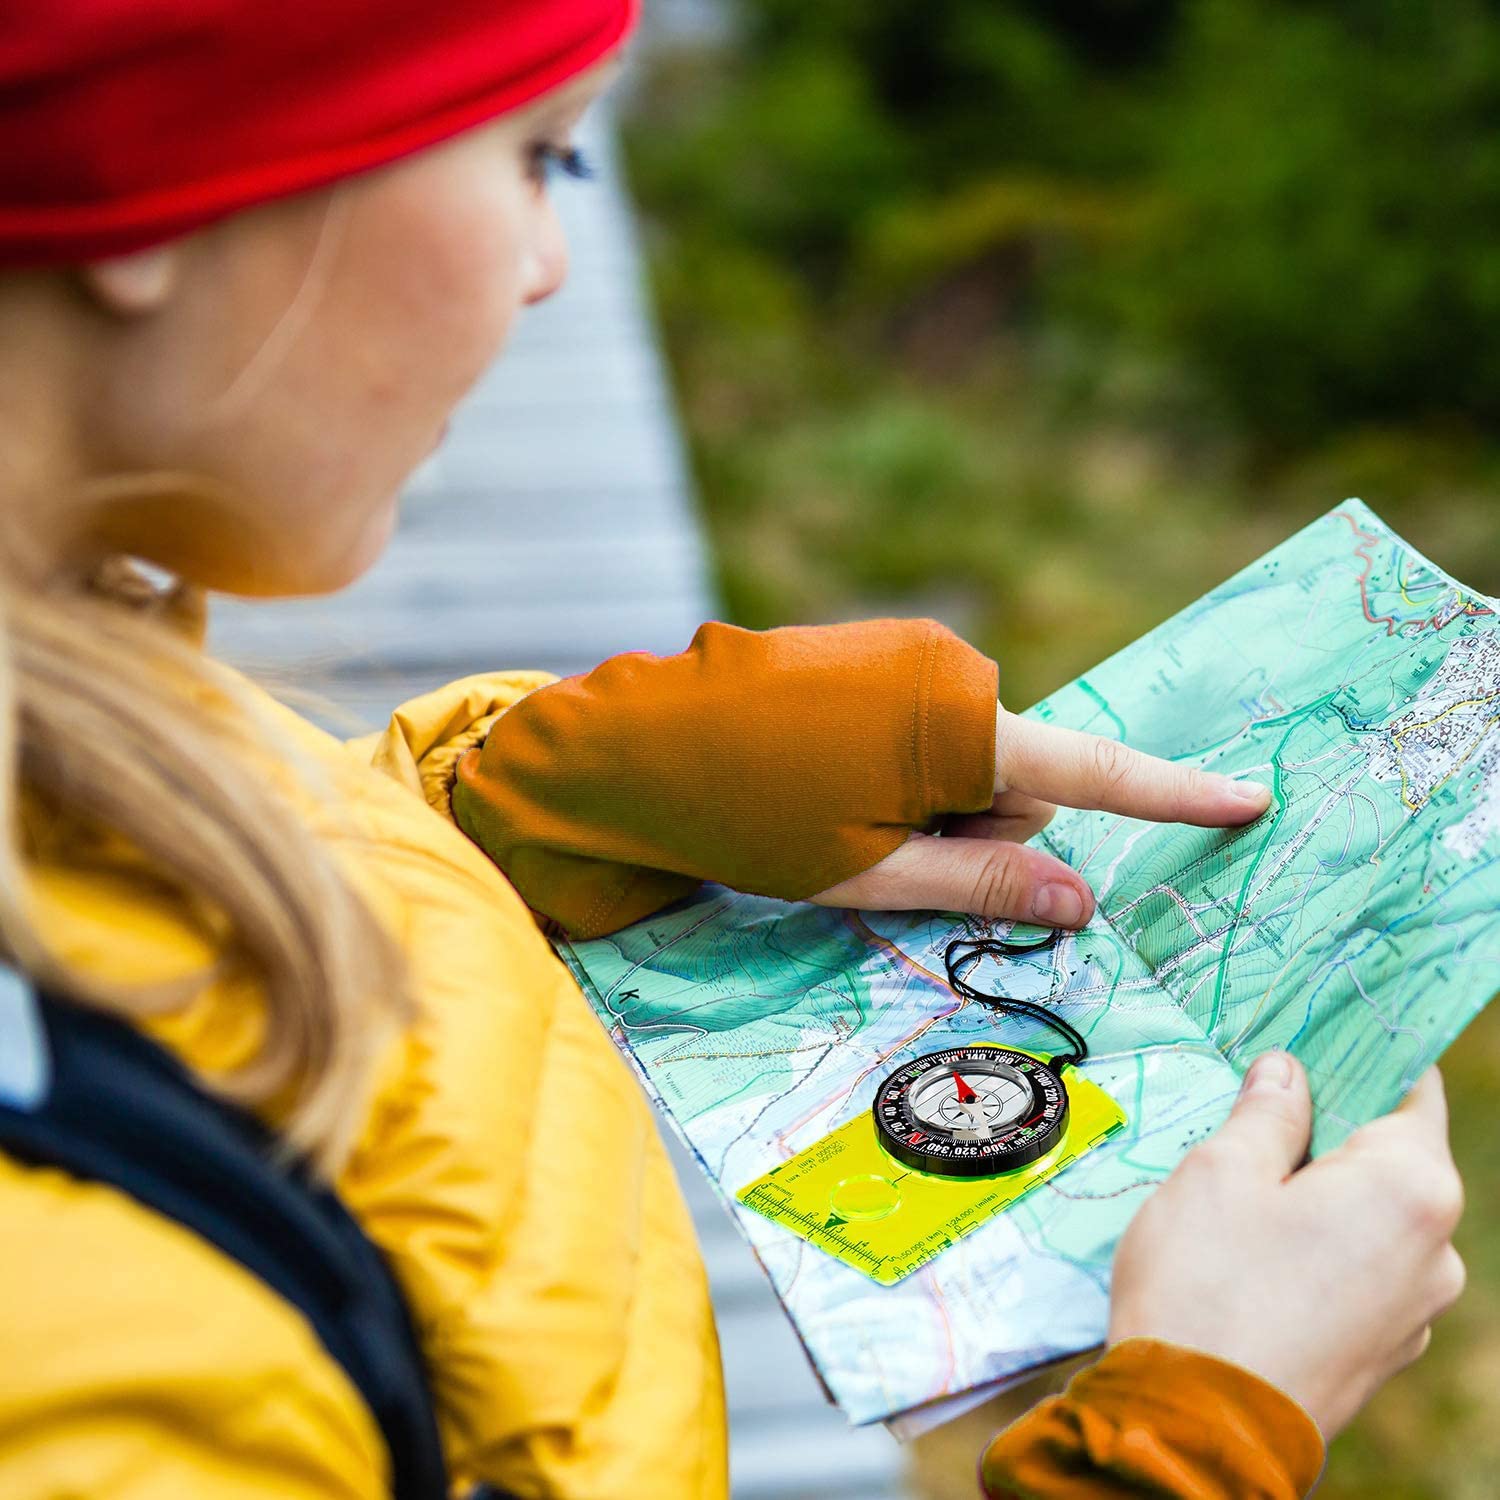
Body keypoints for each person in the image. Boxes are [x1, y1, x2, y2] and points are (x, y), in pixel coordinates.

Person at [0, 2, 1466, 1498]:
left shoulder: (59, 689)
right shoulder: (78, 1357)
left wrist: (509, 807)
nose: (549, 264)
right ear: (147, 176)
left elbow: (123, 935)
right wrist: (1190, 1439)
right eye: (536, 162)